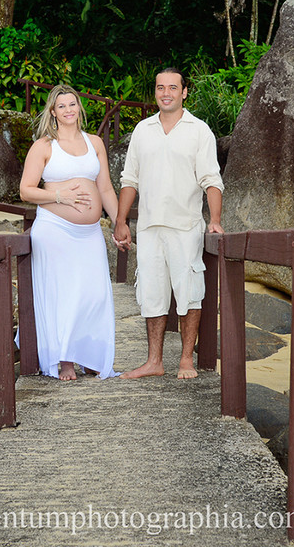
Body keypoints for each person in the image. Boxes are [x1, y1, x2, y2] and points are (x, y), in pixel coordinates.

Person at [113, 68, 223, 379]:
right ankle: (154, 362)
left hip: (185, 227)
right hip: (148, 228)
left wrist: (214, 221)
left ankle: (186, 359)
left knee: (189, 292)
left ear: (184, 92)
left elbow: (211, 180)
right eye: (161, 87)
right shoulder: (142, 130)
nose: (166, 93)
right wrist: (121, 221)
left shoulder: (199, 131)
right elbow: (129, 179)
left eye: (173, 87)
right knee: (151, 293)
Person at [18, 84, 119, 380]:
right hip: (55, 230)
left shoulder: (95, 143)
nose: (68, 110)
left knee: (94, 293)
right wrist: (59, 197)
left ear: (79, 107)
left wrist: (118, 221)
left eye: (72, 104)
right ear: (53, 111)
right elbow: (25, 190)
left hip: (89, 234)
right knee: (64, 294)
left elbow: (105, 188)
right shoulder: (44, 146)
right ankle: (65, 359)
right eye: (61, 106)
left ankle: (90, 354)